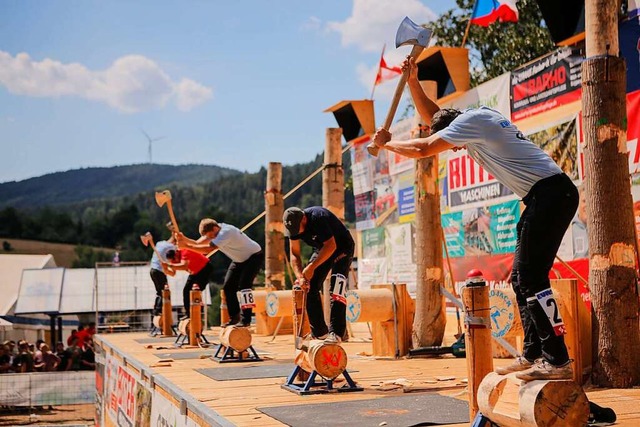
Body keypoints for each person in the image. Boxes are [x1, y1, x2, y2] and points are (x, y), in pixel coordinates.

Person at [372, 57, 578, 381]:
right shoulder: (474, 121)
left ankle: (557, 359)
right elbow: (436, 118)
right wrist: (413, 82)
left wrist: (387, 144)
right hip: (544, 196)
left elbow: (425, 146)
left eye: (453, 146)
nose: (455, 151)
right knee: (520, 279)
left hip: (551, 194)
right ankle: (535, 354)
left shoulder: (474, 122)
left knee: (533, 277)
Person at [283, 206, 355, 344]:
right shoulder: (293, 227)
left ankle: (337, 333)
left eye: (299, 229)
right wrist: (300, 276)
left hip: (341, 247)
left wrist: (311, 267)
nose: (296, 233)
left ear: (304, 218)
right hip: (322, 248)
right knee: (309, 286)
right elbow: (294, 254)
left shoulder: (318, 217)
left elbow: (331, 246)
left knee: (336, 288)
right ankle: (320, 333)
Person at [176, 218, 263, 327]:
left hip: (254, 257)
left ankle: (246, 319)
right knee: (228, 288)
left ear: (214, 228)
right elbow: (198, 243)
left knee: (244, 286)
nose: (210, 238)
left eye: (210, 236)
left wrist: (186, 246)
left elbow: (207, 250)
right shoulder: (215, 230)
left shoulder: (225, 232)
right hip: (239, 260)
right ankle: (235, 317)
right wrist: (183, 239)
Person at [163, 247, 213, 319]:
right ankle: (188, 314)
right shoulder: (174, 260)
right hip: (195, 272)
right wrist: (165, 269)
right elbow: (172, 273)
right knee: (186, 291)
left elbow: (184, 266)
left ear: (176, 253)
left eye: (174, 259)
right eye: (172, 260)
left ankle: (199, 310)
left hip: (205, 268)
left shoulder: (185, 252)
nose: (175, 261)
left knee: (196, 290)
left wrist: (169, 265)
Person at [149, 235, 177, 316]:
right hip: (159, 270)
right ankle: (159, 311)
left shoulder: (159, 243)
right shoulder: (172, 247)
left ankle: (156, 310)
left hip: (152, 270)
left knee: (159, 292)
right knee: (164, 292)